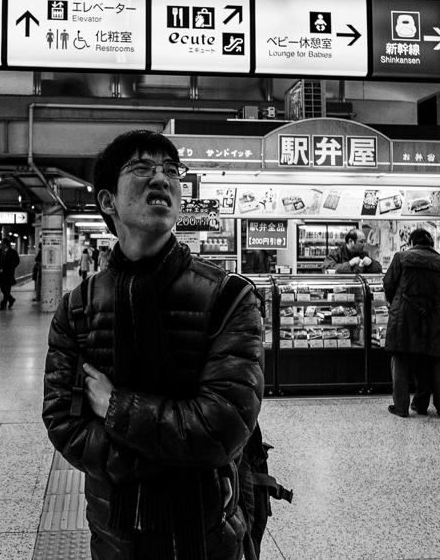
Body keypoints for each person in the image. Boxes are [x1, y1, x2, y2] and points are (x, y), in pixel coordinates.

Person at [43, 129, 264, 560]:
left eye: (171, 171)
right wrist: (162, 459)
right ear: (108, 202)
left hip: (207, 533)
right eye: (142, 168)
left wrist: (113, 406)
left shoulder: (229, 297)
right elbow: (63, 423)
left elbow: (223, 427)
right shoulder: (78, 308)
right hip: (114, 533)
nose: (161, 179)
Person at [382, 227, 440, 418]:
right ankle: (420, 405)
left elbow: (388, 284)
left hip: (403, 316)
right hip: (430, 317)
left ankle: (401, 407)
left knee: (400, 360)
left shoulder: (402, 257)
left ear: (412, 242)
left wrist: (393, 301)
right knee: (425, 360)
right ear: (431, 243)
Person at [0, 238, 20, 309]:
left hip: (8, 274)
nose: (0, 245)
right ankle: (11, 299)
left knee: (7, 289)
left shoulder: (13, 252)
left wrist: (11, 268)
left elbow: (16, 261)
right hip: (0, 274)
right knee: (3, 289)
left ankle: (3, 305)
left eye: (2, 244)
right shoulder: (0, 252)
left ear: (5, 244)